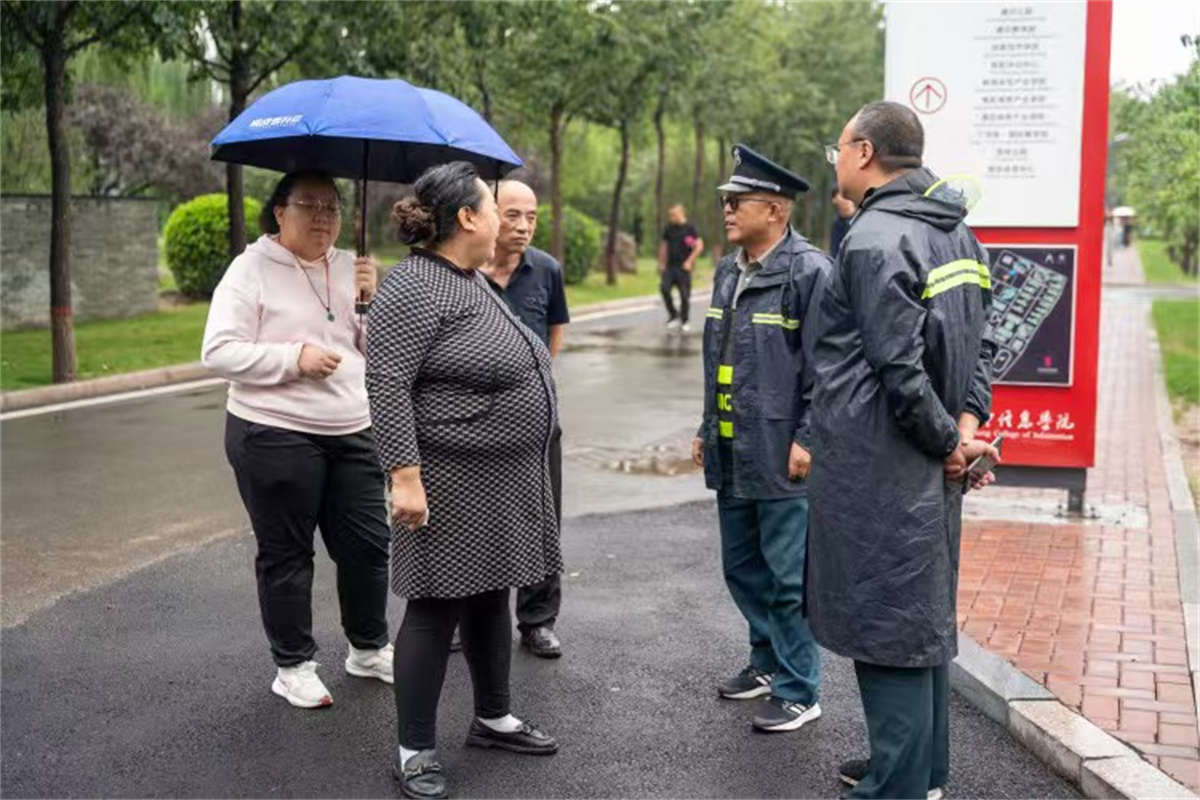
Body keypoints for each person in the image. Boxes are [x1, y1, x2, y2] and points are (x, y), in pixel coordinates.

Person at [808, 101, 1000, 800]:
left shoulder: (873, 238)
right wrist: (966, 430)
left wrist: (949, 442)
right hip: (929, 457)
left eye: (838, 148)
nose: (837, 161)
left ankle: (895, 784)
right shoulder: (959, 233)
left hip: (882, 464)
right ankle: (921, 771)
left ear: (863, 151)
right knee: (920, 617)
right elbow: (983, 344)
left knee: (887, 621)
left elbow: (896, 367)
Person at [366, 162, 561, 800]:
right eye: (494, 206)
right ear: (467, 217)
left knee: (489, 597)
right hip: (446, 480)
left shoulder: (467, 279)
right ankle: (415, 749)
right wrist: (404, 475)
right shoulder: (414, 285)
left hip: (498, 478)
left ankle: (493, 717)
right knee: (433, 608)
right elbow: (387, 383)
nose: (504, 218)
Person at [202, 171, 392, 709]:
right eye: (309, 205)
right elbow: (218, 351)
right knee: (287, 553)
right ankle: (293, 666)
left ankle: (368, 647)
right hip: (272, 431)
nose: (323, 217)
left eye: (332, 206)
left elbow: (373, 350)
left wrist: (372, 300)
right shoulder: (250, 269)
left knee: (367, 546)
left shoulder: (351, 267)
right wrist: (294, 359)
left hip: (351, 427)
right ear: (280, 213)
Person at [691, 144, 831, 733]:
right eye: (726, 201)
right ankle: (766, 663)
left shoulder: (810, 272)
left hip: (781, 453)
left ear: (775, 210)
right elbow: (719, 358)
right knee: (742, 567)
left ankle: (799, 688)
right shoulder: (729, 270)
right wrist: (706, 426)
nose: (727, 210)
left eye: (738, 201)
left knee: (787, 577)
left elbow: (828, 367)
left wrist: (809, 438)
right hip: (733, 447)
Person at [479, 177, 570, 659]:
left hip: (536, 422)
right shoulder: (464, 272)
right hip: (475, 424)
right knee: (477, 519)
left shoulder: (546, 270)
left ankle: (537, 620)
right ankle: (470, 617)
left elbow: (555, 332)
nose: (523, 226)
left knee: (542, 517)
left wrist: (532, 385)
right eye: (512, 214)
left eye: (531, 217)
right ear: (486, 213)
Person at [658, 204, 704, 332]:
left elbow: (699, 246)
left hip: (683, 268)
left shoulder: (690, 229)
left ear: (681, 214)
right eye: (670, 215)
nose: (671, 217)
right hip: (670, 266)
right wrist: (661, 263)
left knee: (684, 295)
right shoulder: (669, 228)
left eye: (673, 215)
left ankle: (685, 320)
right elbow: (664, 246)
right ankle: (673, 315)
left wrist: (689, 261)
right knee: (664, 289)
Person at [830, 188, 856, 258]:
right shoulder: (837, 225)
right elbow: (835, 252)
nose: (847, 201)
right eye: (843, 197)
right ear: (834, 200)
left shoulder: (863, 218)